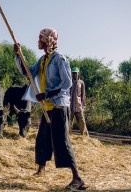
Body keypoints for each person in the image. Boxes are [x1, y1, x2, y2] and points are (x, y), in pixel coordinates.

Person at [13, 28, 87, 190]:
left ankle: (77, 178)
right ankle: (41, 169)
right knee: (43, 138)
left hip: (59, 106)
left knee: (61, 141)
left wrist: (46, 95)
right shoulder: (43, 60)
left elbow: (67, 83)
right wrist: (19, 55)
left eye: (40, 39)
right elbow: (28, 73)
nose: (38, 41)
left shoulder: (60, 59)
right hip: (48, 107)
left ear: (48, 41)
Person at [69, 67, 89, 136]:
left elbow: (83, 95)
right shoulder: (69, 82)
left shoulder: (81, 83)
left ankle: (85, 137)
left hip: (78, 106)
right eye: (73, 73)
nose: (74, 75)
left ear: (78, 74)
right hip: (70, 106)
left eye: (75, 73)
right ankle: (68, 136)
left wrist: (83, 106)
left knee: (81, 122)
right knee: (69, 122)